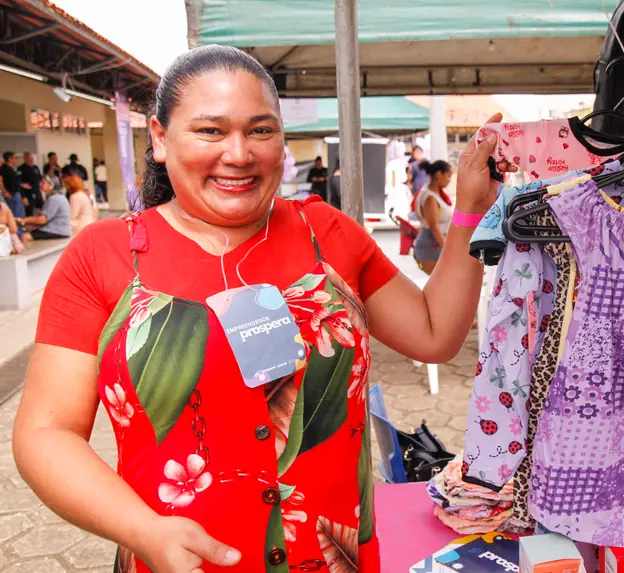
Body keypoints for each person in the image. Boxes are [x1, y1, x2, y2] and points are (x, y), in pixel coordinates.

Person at [12, 44, 512, 573]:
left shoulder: (328, 234)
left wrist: (472, 208)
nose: (238, 153)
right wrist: (142, 531)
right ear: (159, 138)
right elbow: (46, 432)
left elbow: (435, 333)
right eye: (210, 131)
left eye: (260, 130)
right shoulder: (103, 255)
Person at [412, 160, 454, 274]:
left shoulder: (431, 192)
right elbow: (434, 227)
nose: (449, 180)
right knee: (441, 287)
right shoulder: (430, 198)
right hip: (431, 246)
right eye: (448, 176)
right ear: (439, 174)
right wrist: (448, 251)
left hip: (436, 244)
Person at [17, 176, 71, 240]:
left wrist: (24, 220)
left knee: (25, 236)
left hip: (56, 231)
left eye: (43, 183)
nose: (40, 184)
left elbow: (43, 220)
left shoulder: (54, 198)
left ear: (51, 186)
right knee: (28, 228)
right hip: (59, 229)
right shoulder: (59, 196)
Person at [18, 151, 44, 216]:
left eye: (32, 159)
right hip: (28, 194)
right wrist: (23, 197)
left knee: (42, 209)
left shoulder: (35, 167)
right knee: (29, 212)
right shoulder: (21, 169)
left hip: (37, 191)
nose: (32, 160)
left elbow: (40, 178)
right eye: (30, 159)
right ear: (25, 159)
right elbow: (19, 184)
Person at [0, 151, 24, 219]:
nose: (15, 160)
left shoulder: (12, 168)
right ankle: (15, 229)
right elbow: (0, 180)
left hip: (17, 193)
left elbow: (13, 181)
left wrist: (22, 185)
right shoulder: (4, 168)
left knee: (20, 213)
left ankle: (20, 229)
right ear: (9, 159)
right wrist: (5, 191)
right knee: (15, 214)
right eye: (14, 158)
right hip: (11, 194)